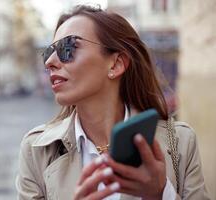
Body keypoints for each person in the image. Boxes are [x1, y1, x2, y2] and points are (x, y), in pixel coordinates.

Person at [15, 5, 210, 200]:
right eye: (49, 51)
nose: (50, 61)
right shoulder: (36, 150)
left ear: (116, 64)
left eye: (67, 47)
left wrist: (160, 194)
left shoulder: (180, 142)